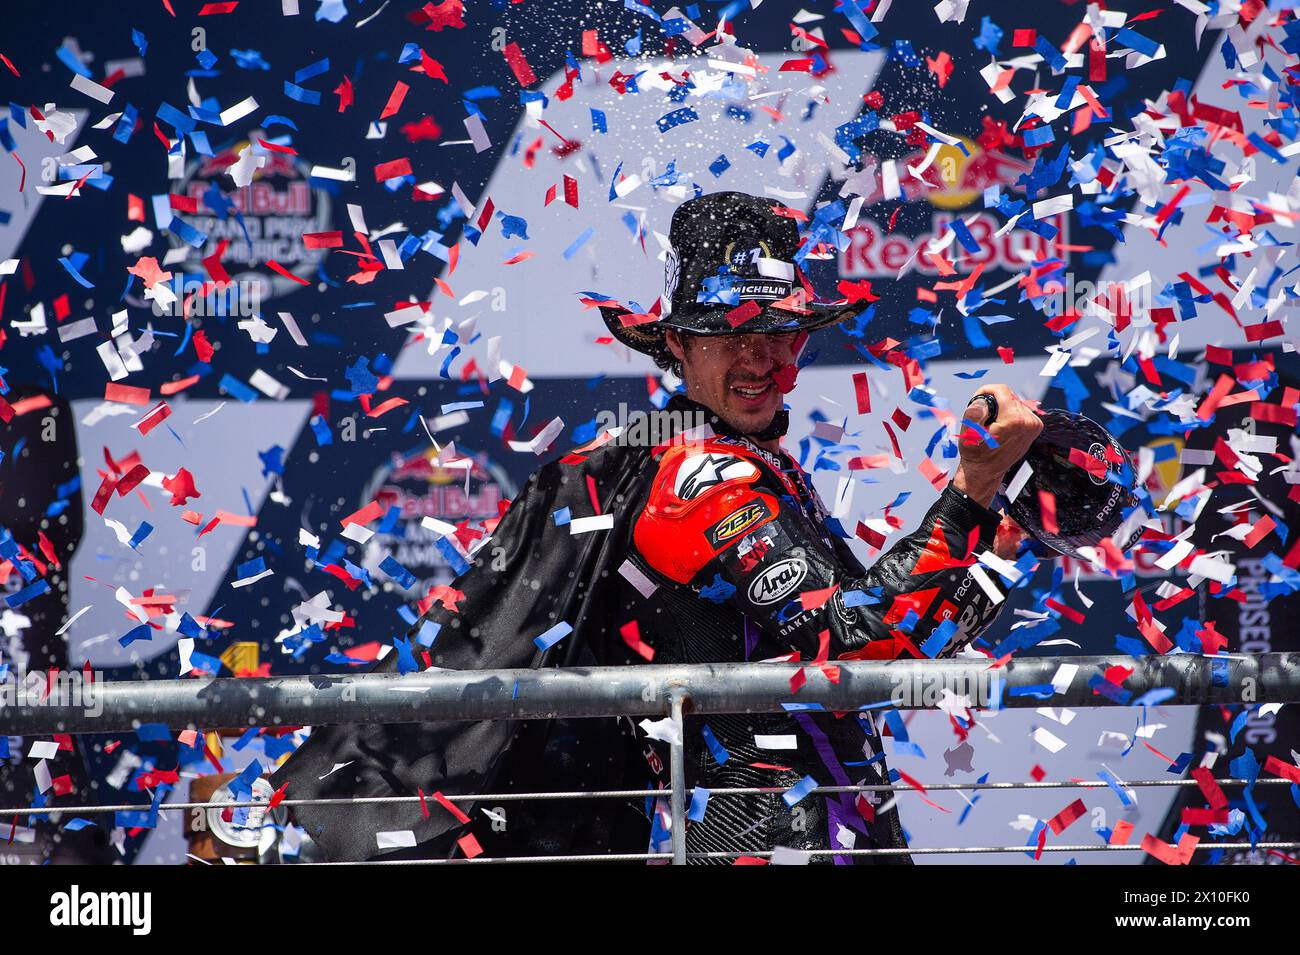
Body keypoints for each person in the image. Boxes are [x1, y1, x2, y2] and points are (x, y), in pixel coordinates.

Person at [271, 191, 1047, 864]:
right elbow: (851, 653)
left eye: (778, 330)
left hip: (825, 831)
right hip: (755, 841)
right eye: (725, 332)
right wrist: (969, 491)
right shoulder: (695, 480)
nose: (757, 357)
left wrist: (1004, 537)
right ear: (675, 344)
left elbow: (898, 651)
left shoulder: (745, 463)